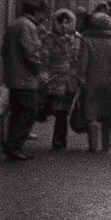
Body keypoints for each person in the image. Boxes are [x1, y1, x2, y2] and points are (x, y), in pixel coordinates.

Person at [2, 0, 47, 160]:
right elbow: (31, 53)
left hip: (13, 76)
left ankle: (13, 145)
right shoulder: (28, 26)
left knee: (17, 111)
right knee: (29, 110)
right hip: (25, 78)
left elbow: (4, 51)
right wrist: (38, 70)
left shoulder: (14, 24)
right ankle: (14, 145)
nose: (43, 16)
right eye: (42, 12)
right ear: (37, 11)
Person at [77, 11, 111, 153]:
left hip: (92, 80)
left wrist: (81, 77)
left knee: (92, 112)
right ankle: (106, 145)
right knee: (108, 113)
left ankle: (93, 145)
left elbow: (83, 62)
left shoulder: (87, 40)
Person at [41, 9, 83, 150]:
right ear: (55, 23)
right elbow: (44, 58)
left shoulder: (78, 39)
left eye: (67, 22)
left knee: (63, 111)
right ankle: (58, 139)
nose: (64, 26)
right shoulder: (48, 38)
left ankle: (59, 139)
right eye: (60, 22)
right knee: (56, 110)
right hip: (53, 79)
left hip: (70, 80)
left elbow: (79, 60)